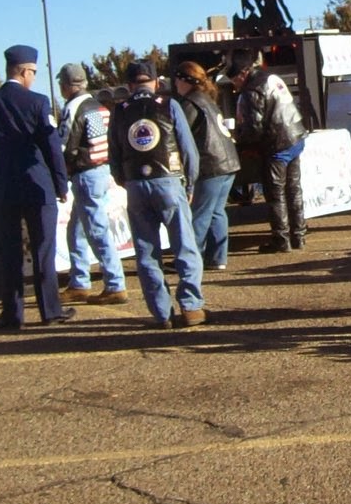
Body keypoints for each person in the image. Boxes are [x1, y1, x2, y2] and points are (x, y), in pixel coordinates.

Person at [0, 45, 73, 331]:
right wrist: (61, 183)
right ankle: (50, 310)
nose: (34, 78)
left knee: (8, 252)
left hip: (0, 188)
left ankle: (13, 315)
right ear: (25, 71)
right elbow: (52, 146)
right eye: (34, 73)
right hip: (37, 185)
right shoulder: (38, 103)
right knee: (43, 250)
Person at [109, 61, 205, 328]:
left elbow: (114, 155)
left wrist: (126, 182)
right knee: (184, 245)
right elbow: (189, 151)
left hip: (136, 184)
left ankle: (161, 313)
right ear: (154, 82)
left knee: (147, 252)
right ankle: (191, 305)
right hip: (169, 180)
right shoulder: (169, 105)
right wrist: (190, 185)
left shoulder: (120, 111)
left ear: (129, 85)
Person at [55, 62, 128, 304]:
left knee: (96, 230)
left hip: (85, 173)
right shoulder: (98, 106)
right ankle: (79, 281)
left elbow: (64, 144)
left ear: (66, 86)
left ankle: (115, 283)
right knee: (76, 228)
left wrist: (59, 172)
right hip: (101, 171)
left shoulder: (73, 108)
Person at [226, 48, 307, 254]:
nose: (233, 84)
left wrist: (242, 144)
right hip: (295, 136)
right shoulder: (271, 77)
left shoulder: (251, 90)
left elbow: (254, 127)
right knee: (294, 189)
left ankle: (281, 239)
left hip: (277, 144)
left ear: (243, 74)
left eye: (234, 79)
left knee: (275, 193)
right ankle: (299, 235)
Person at [172, 61, 240, 271]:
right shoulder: (207, 100)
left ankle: (189, 260)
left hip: (211, 164)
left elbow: (180, 135)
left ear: (184, 80)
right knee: (217, 211)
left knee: (200, 213)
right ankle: (218, 257)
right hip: (228, 162)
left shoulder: (189, 104)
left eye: (176, 79)